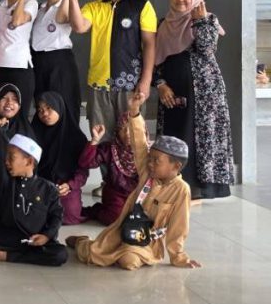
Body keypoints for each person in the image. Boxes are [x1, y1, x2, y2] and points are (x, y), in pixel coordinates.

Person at [67, 135, 202, 270]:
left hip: (147, 242)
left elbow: (179, 225)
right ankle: (82, 242)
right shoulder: (146, 174)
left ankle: (121, 252)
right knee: (92, 253)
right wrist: (133, 120)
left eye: (156, 161)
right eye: (149, 158)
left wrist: (178, 256)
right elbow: (138, 142)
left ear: (176, 166)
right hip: (124, 228)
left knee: (129, 261)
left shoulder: (181, 190)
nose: (150, 164)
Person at [154, 0, 233, 200]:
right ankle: (172, 185)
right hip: (171, 92)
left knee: (198, 136)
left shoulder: (207, 19)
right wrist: (160, 84)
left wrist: (199, 21)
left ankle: (199, 188)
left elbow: (207, 49)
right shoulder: (163, 24)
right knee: (175, 134)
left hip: (205, 95)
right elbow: (153, 61)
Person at [67, 0, 157, 139]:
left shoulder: (141, 6)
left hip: (131, 84)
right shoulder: (93, 7)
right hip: (98, 84)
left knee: (133, 139)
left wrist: (146, 81)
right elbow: (79, 27)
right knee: (101, 139)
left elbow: (149, 44)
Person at [0, 134, 68, 266]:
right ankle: (15, 254)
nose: (6, 161)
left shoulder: (48, 188)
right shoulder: (6, 184)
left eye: (11, 157)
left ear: (29, 162)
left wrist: (46, 236)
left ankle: (9, 256)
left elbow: (56, 216)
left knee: (60, 254)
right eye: (6, 157)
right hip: (6, 241)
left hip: (34, 242)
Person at [78, 94, 151, 225]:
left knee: (148, 217)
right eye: (123, 129)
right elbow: (85, 163)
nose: (128, 134)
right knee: (115, 219)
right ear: (117, 132)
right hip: (116, 194)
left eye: (132, 129)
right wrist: (94, 141)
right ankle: (98, 210)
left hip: (140, 194)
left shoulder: (148, 151)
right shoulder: (110, 149)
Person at [31, 0, 81, 121]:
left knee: (64, 104)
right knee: (43, 107)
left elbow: (60, 18)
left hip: (60, 61)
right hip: (38, 61)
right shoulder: (39, 8)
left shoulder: (69, 2)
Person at [32, 92, 88, 225]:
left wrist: (69, 185)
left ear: (59, 107)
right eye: (40, 110)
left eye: (49, 108)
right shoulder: (34, 133)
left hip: (65, 184)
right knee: (34, 213)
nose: (44, 114)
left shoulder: (76, 137)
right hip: (40, 184)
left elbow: (82, 170)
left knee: (69, 215)